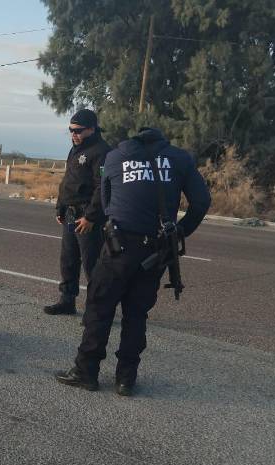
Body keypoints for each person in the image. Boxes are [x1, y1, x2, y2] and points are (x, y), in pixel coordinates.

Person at [54, 127, 211, 396]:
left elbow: (105, 200)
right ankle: (126, 379)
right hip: (157, 248)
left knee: (99, 307)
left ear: (132, 140)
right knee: (136, 314)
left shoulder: (115, 157)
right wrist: (180, 231)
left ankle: (86, 371)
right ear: (163, 140)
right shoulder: (180, 158)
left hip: (118, 244)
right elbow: (202, 201)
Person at [44, 109, 111, 316]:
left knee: (92, 264)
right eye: (71, 130)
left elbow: (103, 187)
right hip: (71, 214)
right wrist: (60, 207)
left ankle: (97, 309)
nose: (74, 134)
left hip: (87, 216)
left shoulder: (101, 151)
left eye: (78, 130)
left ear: (92, 128)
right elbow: (68, 181)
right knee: (69, 260)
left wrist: (91, 217)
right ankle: (67, 301)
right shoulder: (76, 149)